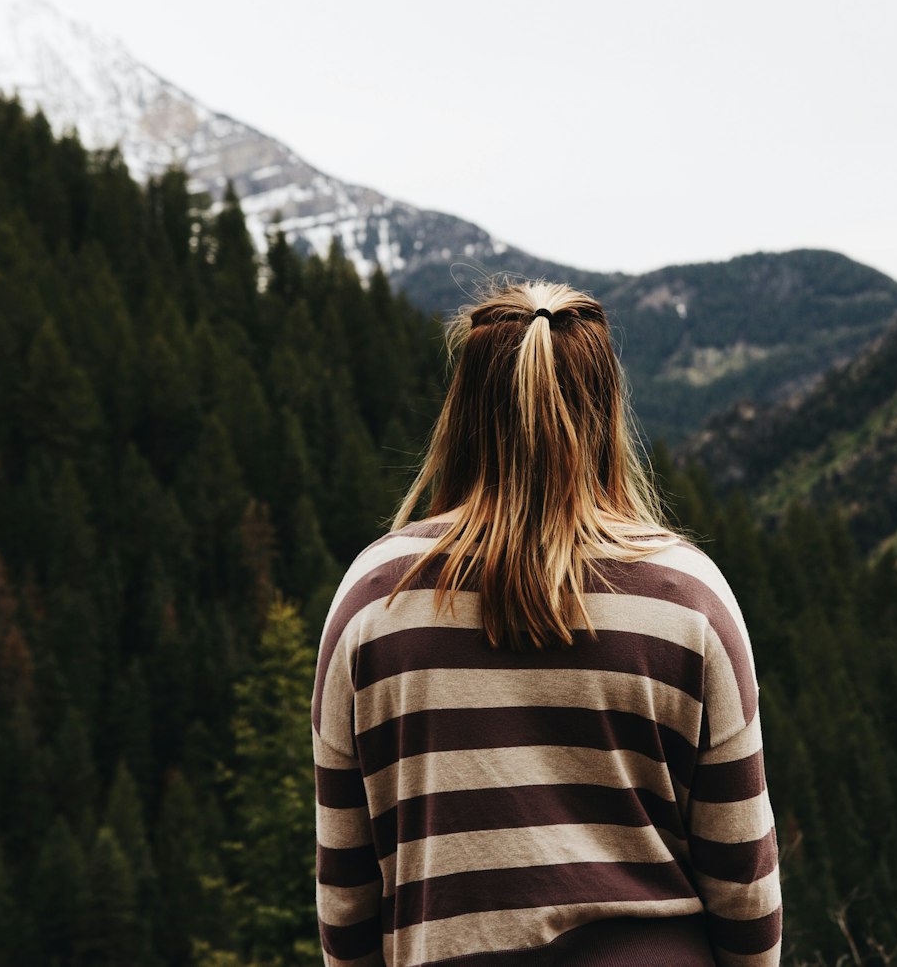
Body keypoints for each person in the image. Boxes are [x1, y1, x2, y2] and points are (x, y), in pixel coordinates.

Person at [312, 280, 782, 966]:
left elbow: (347, 898)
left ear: (464, 409)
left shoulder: (373, 601)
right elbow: (744, 888)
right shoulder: (687, 596)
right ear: (605, 410)